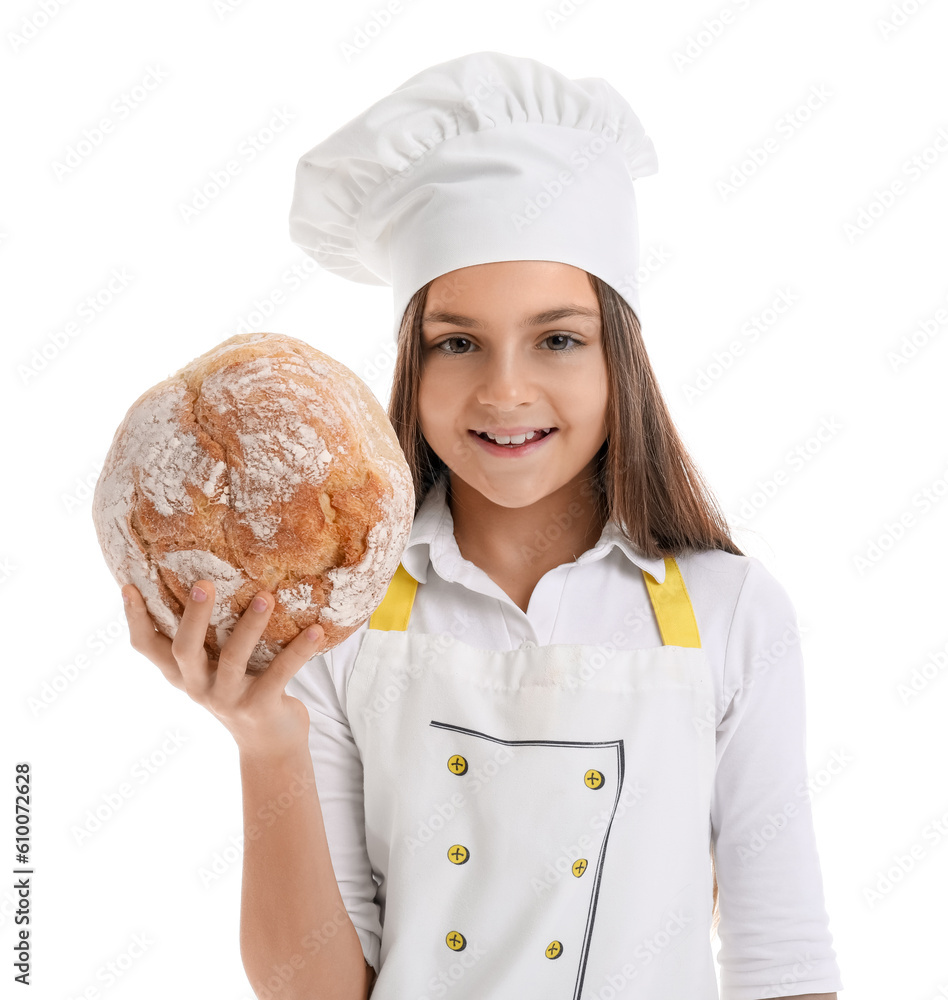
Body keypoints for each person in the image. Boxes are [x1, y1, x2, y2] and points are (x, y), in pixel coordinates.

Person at [121, 52, 844, 1000]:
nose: (506, 391)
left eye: (558, 338)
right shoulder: (336, 630)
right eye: (456, 342)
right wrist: (266, 742)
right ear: (410, 367)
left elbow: (782, 967)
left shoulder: (733, 613)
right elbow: (317, 992)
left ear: (618, 358)